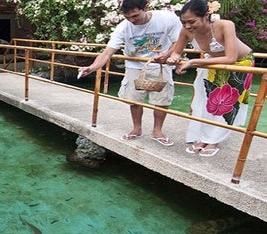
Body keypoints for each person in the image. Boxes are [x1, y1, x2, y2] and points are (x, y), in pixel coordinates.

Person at [78, 0, 182, 146]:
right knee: (134, 100)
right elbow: (107, 53)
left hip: (160, 64)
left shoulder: (167, 18)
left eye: (135, 16)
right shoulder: (123, 27)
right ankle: (136, 129)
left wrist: (167, 54)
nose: (132, 21)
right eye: (128, 18)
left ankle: (157, 131)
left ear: (145, 8)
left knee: (162, 100)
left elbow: (179, 41)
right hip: (135, 64)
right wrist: (92, 67)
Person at [166, 0, 254, 157]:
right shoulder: (186, 31)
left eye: (192, 21)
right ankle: (202, 137)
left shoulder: (225, 25)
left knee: (225, 104)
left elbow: (230, 58)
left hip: (240, 64)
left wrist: (193, 61)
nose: (187, 26)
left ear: (206, 15)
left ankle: (213, 140)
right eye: (184, 22)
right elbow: (177, 51)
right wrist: (174, 58)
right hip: (211, 63)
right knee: (203, 101)